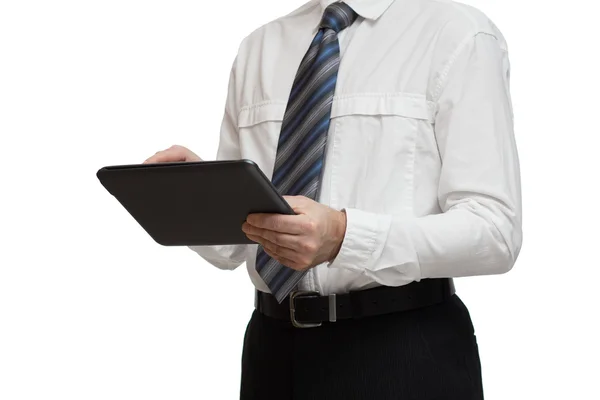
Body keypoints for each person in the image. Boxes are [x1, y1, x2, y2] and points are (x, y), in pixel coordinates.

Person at [143, 0, 522, 398]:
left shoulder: (458, 34)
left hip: (404, 351)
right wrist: (195, 194)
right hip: (271, 353)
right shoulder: (260, 46)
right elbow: (233, 246)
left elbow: (495, 231)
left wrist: (345, 236)